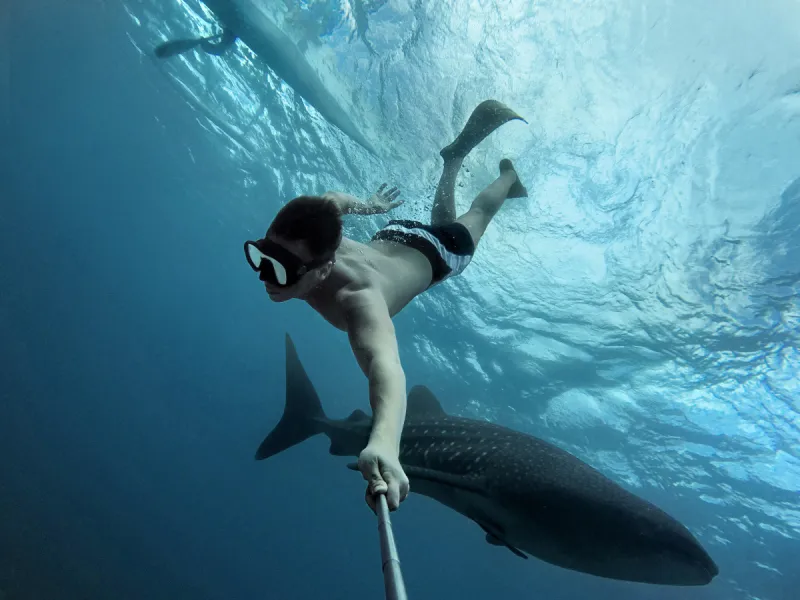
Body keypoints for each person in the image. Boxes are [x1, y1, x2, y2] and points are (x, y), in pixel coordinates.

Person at [243, 100, 528, 511]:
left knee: (478, 214)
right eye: (260, 255)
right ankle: (452, 162)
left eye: (282, 269)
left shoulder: (358, 298)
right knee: (442, 220)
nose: (265, 276)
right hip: (395, 233)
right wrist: (371, 206)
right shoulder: (311, 226)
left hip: (440, 253)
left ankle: (508, 177)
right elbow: (334, 201)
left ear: (324, 269)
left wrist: (384, 444)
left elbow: (386, 367)